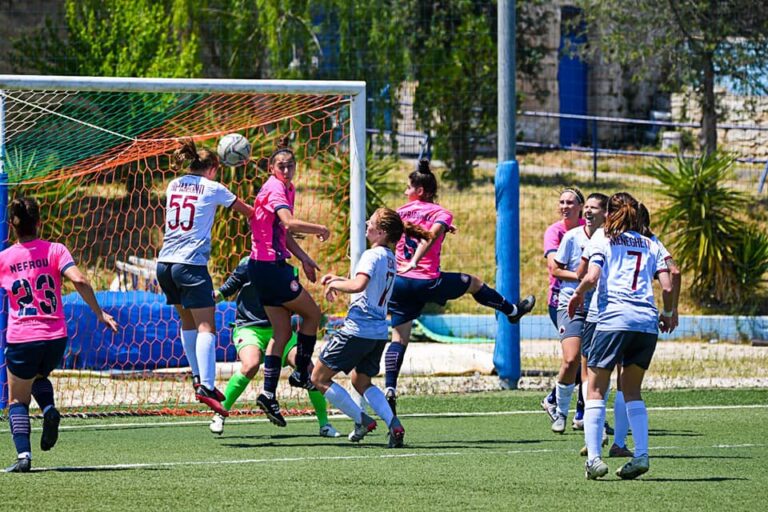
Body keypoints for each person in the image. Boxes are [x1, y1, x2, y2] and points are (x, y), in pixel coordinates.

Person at [383, 159, 535, 415]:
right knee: (474, 283)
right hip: (426, 281)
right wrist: (416, 260)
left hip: (399, 283)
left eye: (408, 187)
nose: (405, 192)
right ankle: (511, 311)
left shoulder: (399, 212)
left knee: (399, 338)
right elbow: (429, 236)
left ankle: (390, 388)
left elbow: (399, 232)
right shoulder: (440, 213)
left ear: (419, 191)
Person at [0, 197, 119, 472]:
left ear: (12, 226)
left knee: (17, 399)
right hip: (55, 336)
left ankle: (23, 457)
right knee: (40, 376)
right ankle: (49, 409)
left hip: (22, 337)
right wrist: (99, 313)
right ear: (39, 223)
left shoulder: (5, 259)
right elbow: (79, 279)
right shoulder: (56, 250)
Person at [568, 192, 674, 480]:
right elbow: (667, 283)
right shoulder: (650, 242)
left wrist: (577, 295)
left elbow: (591, 277)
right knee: (632, 390)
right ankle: (641, 455)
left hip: (613, 319)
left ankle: (593, 460)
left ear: (610, 214)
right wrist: (669, 313)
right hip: (645, 323)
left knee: (595, 389)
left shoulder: (604, 237)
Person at [311, 207, 431, 447]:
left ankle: (363, 420)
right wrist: (339, 280)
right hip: (377, 332)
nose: (367, 223)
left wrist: (335, 283)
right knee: (360, 381)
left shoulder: (371, 255)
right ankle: (394, 423)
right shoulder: (389, 258)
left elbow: (359, 285)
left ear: (382, 232)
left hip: (358, 329)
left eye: (372, 222)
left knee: (319, 378)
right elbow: (364, 285)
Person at [156, 139, 254, 417]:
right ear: (212, 167)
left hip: (164, 264)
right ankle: (207, 386)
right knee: (206, 327)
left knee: (187, 322)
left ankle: (199, 378)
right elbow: (248, 212)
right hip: (190, 266)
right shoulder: (213, 188)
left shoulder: (174, 185)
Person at [208, 257, 339, 438]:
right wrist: (210, 297)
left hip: (280, 330)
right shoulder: (249, 264)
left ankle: (324, 424)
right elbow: (227, 289)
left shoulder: (289, 270)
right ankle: (219, 414)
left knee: (309, 369)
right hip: (249, 328)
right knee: (250, 365)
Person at [248, 136, 329, 427]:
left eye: (290, 165)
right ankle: (301, 373)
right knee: (313, 314)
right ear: (271, 167)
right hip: (270, 268)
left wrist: (305, 258)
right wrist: (320, 227)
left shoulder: (286, 187)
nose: (286, 169)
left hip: (261, 267)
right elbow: (290, 223)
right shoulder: (274, 188)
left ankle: (268, 394)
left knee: (281, 332)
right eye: (281, 165)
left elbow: (283, 234)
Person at [549, 192, 607, 434]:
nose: (589, 212)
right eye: (588, 208)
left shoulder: (609, 239)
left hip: (599, 309)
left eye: (595, 208)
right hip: (570, 305)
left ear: (606, 214)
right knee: (571, 359)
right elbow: (555, 270)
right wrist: (581, 279)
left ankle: (591, 419)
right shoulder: (572, 237)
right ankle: (559, 410)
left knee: (590, 367)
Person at [540, 188, 586, 422]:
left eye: (570, 202)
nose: (565, 206)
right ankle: (554, 400)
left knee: (589, 359)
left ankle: (583, 412)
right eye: (562, 202)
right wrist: (586, 277)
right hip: (562, 302)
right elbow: (553, 267)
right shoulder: (555, 232)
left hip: (591, 302)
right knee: (574, 358)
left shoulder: (593, 233)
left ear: (582, 207)